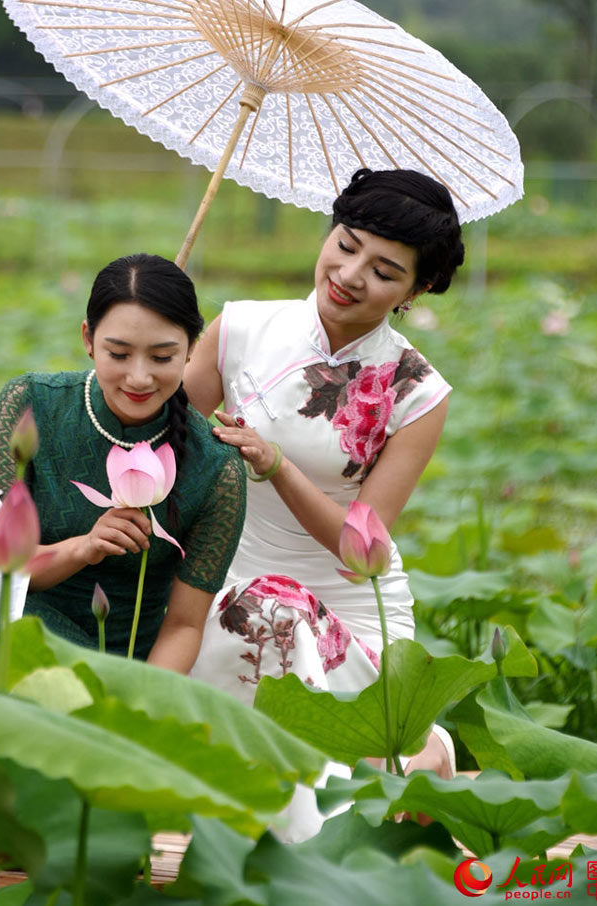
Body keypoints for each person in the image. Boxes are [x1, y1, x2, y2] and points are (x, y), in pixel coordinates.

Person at [183, 168, 465, 838]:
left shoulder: (417, 390)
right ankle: (401, 762)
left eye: (385, 269)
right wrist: (137, 362)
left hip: (345, 603)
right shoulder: (238, 330)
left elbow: (358, 543)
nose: (351, 273)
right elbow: (162, 452)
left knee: (272, 612)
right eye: (347, 243)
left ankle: (380, 775)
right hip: (217, 578)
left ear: (417, 290)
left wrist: (276, 465)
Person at [0, 253, 246, 674]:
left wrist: (140, 703)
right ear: (88, 338)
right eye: (119, 354)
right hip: (16, 638)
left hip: (124, 667)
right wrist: (82, 548)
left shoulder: (216, 469)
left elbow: (183, 625)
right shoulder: (30, 406)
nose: (139, 378)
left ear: (192, 350)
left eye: (162, 358)